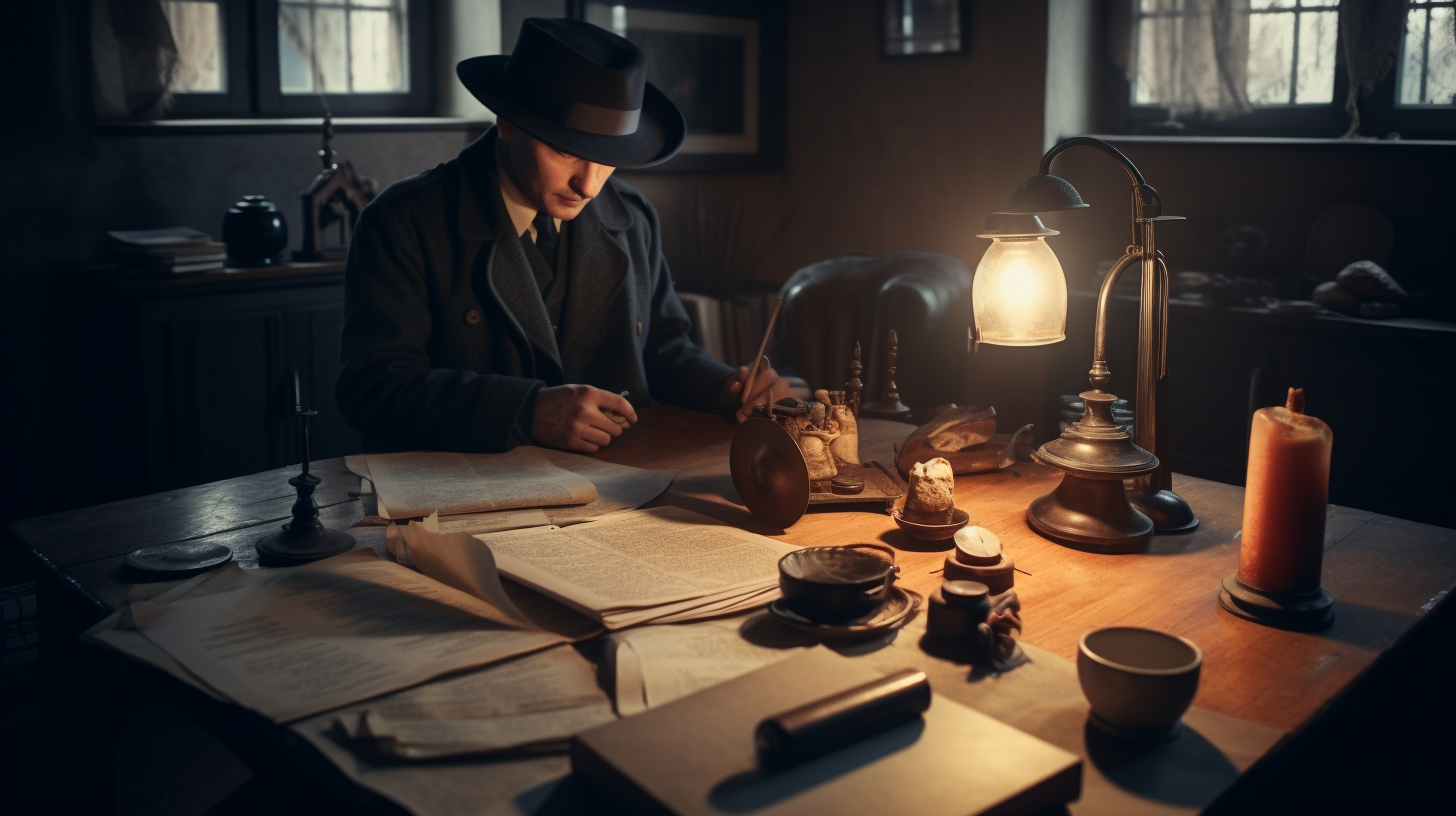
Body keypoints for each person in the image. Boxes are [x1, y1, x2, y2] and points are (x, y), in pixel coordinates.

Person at [336, 18, 788, 454]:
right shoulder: (403, 220)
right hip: (458, 499)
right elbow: (372, 388)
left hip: (620, 485)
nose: (590, 186)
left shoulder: (632, 216)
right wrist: (526, 410)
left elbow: (663, 347)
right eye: (567, 151)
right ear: (508, 122)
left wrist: (725, 387)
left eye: (607, 157)